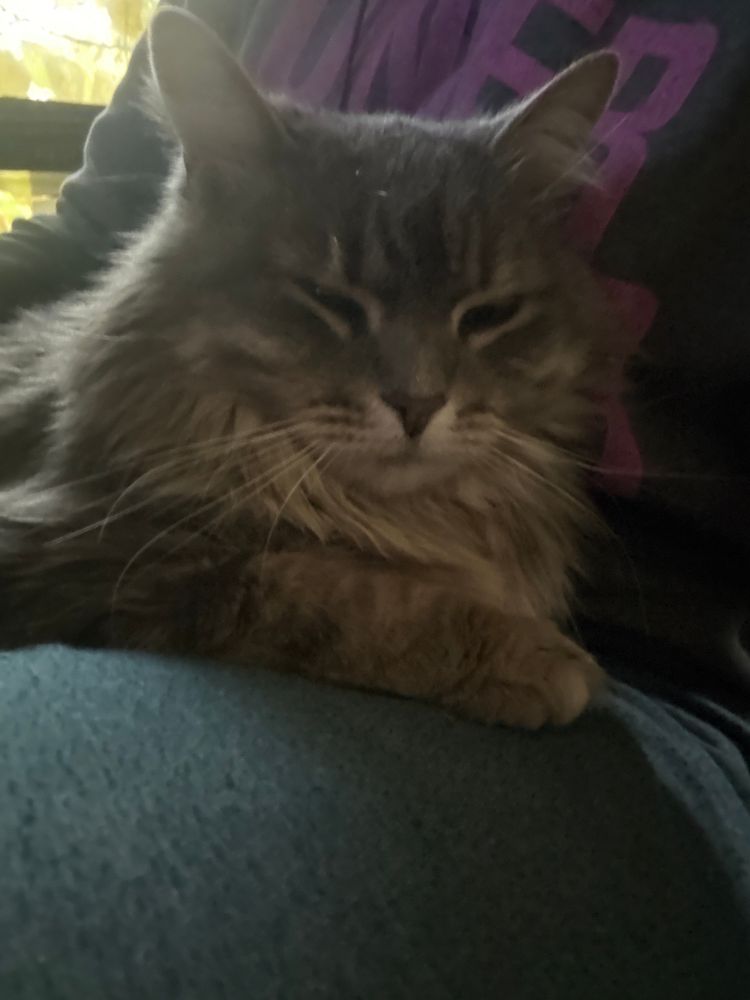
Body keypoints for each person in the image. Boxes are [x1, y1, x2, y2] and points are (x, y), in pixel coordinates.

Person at [1, 3, 749, 998]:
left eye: (485, 316)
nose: (416, 392)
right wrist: (392, 630)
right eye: (331, 306)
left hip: (651, 678)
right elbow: (84, 242)